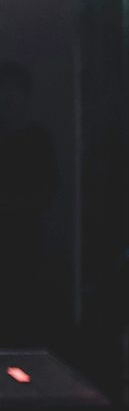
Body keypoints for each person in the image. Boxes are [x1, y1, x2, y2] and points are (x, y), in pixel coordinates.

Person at [0, 61, 57, 345]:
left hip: (23, 246)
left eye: (14, 89)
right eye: (3, 88)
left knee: (20, 318)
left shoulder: (37, 140)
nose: (7, 96)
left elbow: (44, 197)